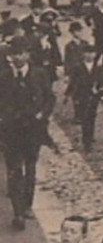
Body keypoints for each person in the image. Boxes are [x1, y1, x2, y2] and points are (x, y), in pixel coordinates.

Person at [0, 34, 54, 229]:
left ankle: (28, 205)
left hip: (33, 132)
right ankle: (18, 213)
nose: (18, 58)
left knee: (30, 169)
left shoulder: (40, 74)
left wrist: (43, 115)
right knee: (14, 171)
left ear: (28, 54)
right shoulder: (4, 77)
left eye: (21, 53)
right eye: (14, 54)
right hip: (11, 133)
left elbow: (50, 98)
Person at [69, 42, 103, 152]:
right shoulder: (78, 67)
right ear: (83, 54)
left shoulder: (98, 68)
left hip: (94, 96)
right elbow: (73, 83)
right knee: (85, 118)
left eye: (92, 53)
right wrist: (73, 96)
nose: (90, 55)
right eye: (87, 53)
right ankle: (86, 141)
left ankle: (90, 137)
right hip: (82, 96)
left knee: (92, 117)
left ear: (95, 54)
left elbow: (102, 82)